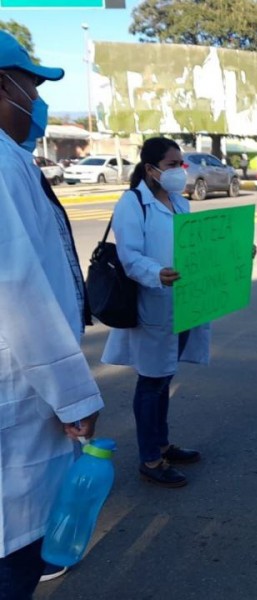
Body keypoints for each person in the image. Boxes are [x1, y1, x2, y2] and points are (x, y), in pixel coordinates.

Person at [0, 32, 103, 598]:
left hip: (22, 385)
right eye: (31, 86)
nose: (37, 101)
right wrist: (76, 396)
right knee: (14, 559)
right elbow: (15, 290)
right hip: (19, 396)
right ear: (2, 85)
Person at [101, 137, 211, 488]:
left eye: (181, 164)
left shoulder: (180, 203)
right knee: (151, 382)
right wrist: (156, 273)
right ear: (150, 169)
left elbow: (195, 247)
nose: (180, 171)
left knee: (164, 377)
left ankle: (162, 443)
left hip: (181, 306)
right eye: (172, 164)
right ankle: (150, 457)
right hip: (153, 304)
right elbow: (130, 257)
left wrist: (234, 250)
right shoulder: (133, 203)